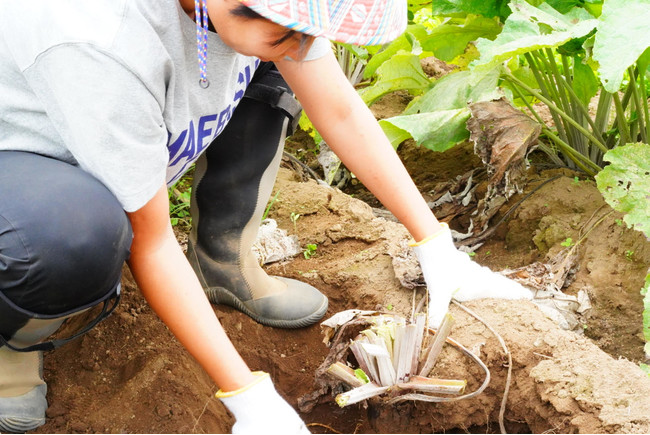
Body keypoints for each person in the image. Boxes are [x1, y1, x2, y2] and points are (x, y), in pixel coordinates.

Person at [0, 0, 532, 432]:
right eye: (286, 30)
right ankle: (14, 346)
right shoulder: (96, 36)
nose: (303, 46)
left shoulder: (250, 17)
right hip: (23, 165)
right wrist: (247, 395)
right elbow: (151, 242)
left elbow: (340, 109)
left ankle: (222, 263)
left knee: (270, 70)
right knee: (73, 235)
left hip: (109, 131)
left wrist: (435, 245)